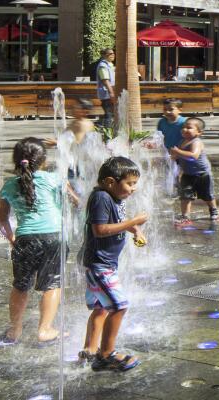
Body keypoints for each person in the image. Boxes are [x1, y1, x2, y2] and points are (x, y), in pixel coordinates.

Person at [0, 137, 80, 344]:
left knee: (20, 285)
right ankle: (45, 330)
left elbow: (2, 218)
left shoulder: (9, 185)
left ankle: (14, 330)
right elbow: (77, 202)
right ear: (43, 160)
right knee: (52, 283)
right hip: (54, 237)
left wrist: (12, 238)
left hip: (25, 238)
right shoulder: (55, 179)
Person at [80, 156, 147, 371]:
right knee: (119, 306)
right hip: (99, 264)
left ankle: (89, 351)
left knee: (101, 308)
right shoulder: (101, 197)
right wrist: (134, 222)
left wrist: (135, 230)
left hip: (104, 264)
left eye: (135, 183)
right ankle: (106, 353)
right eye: (130, 183)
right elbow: (99, 230)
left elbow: (116, 224)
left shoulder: (114, 198)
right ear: (110, 182)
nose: (133, 188)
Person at [170, 118, 217, 225]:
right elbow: (179, 156)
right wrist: (174, 157)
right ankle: (185, 216)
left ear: (199, 132)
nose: (185, 129)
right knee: (185, 196)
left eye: (189, 128)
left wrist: (177, 152)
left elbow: (193, 156)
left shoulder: (197, 142)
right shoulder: (182, 142)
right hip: (187, 174)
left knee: (207, 195)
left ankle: (213, 209)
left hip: (202, 174)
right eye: (183, 127)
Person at [94, 48, 116, 132]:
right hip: (106, 93)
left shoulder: (109, 64)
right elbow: (105, 80)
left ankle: (98, 125)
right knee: (108, 114)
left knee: (108, 113)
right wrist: (111, 93)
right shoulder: (103, 65)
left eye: (113, 53)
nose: (113, 55)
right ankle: (107, 132)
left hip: (109, 92)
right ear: (104, 55)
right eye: (110, 54)